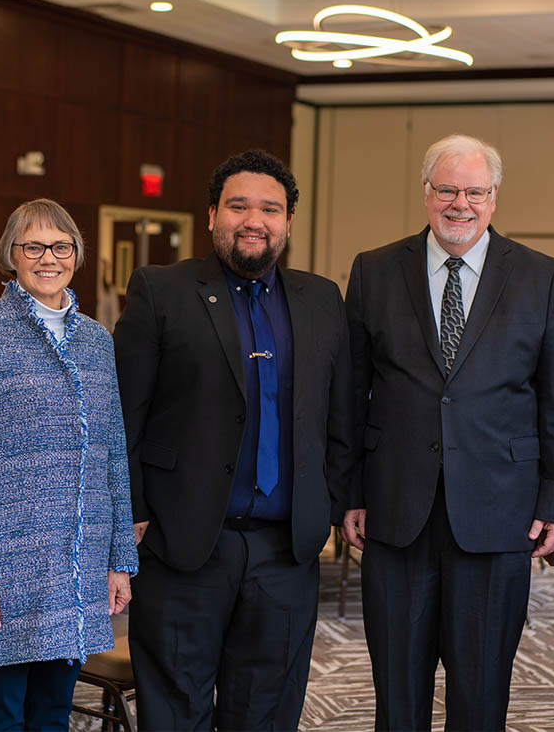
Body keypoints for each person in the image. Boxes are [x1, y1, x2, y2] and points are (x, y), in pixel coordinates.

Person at [113, 149, 356, 730]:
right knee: (176, 710)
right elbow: (122, 417)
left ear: (288, 223)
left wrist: (336, 501)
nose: (255, 220)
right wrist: (131, 515)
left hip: (287, 551)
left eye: (271, 209)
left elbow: (340, 417)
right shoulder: (161, 290)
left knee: (267, 713)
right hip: (183, 544)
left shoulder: (321, 299)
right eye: (239, 205)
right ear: (212, 216)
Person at [342, 133, 554, 731]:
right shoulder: (373, 270)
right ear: (425, 193)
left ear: (495, 197)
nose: (460, 204)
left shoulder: (540, 275)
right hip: (396, 513)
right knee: (397, 694)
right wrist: (349, 493)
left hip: (500, 514)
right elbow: (348, 393)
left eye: (475, 191)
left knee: (480, 696)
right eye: (447, 189)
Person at [0, 198, 138, 731]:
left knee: (53, 715)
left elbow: (114, 456)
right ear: (12, 255)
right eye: (33, 246)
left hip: (76, 569)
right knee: (0, 714)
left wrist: (119, 560)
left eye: (61, 246)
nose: (48, 257)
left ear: (76, 254)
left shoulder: (97, 342)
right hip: (3, 575)